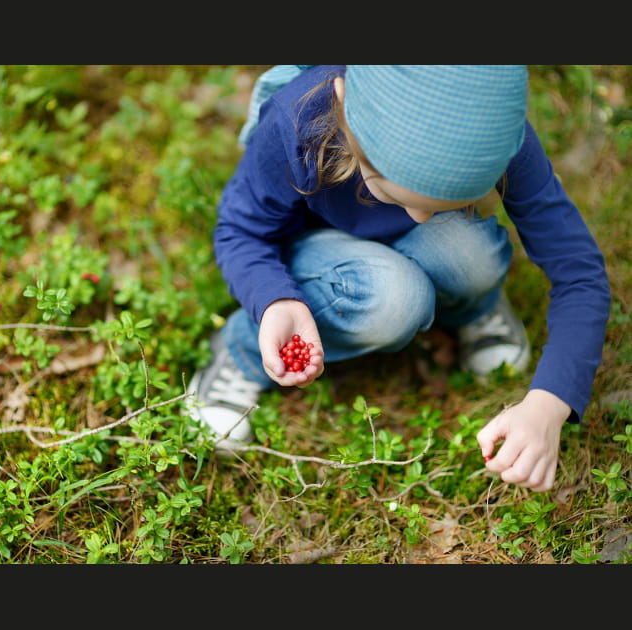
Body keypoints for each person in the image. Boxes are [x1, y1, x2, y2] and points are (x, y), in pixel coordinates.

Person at [186, 65, 610, 493]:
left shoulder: (492, 126)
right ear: (347, 108)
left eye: (445, 204)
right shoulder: (298, 122)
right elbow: (241, 232)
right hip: (318, 252)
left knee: (469, 253)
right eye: (391, 192)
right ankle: (241, 350)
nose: (420, 218)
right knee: (396, 298)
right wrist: (275, 301)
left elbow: (578, 271)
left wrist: (550, 401)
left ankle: (472, 307)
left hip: (408, 250)